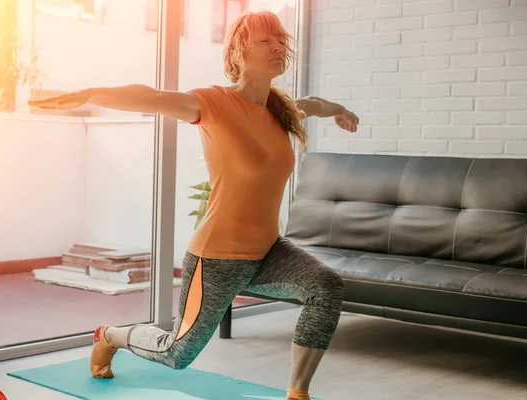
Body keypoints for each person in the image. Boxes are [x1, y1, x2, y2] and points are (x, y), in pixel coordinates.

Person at [29, 10, 359, 400]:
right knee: (177, 353)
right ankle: (109, 335)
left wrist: (340, 109)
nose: (276, 47)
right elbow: (151, 97)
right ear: (238, 52)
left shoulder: (281, 109)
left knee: (326, 286)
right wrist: (90, 94)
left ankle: (297, 393)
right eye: (264, 40)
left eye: (279, 40)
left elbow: (314, 104)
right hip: (218, 256)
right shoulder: (215, 103)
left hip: (269, 249)